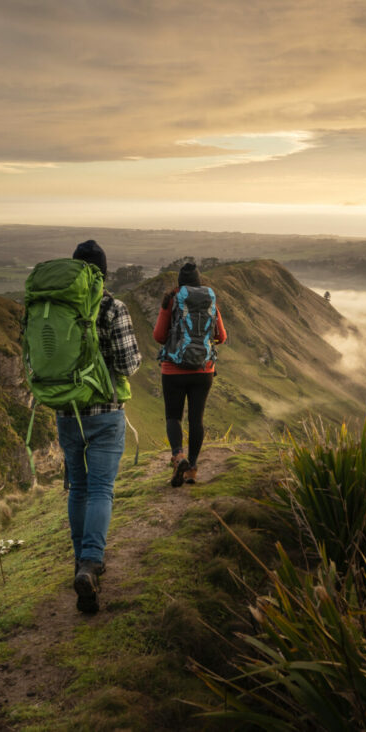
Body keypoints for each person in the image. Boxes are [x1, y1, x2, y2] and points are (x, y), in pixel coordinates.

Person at [60, 240, 141, 614]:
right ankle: (91, 562)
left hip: (66, 412)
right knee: (101, 489)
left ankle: (80, 563)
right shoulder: (112, 307)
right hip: (105, 413)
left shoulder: (58, 308)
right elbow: (127, 365)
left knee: (78, 487)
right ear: (104, 273)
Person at [153, 262, 227, 487]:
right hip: (203, 370)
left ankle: (178, 456)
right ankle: (192, 469)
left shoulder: (172, 299)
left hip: (173, 369)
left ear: (180, 282)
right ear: (199, 281)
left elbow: (158, 336)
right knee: (197, 419)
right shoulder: (208, 301)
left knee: (173, 416)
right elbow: (221, 337)